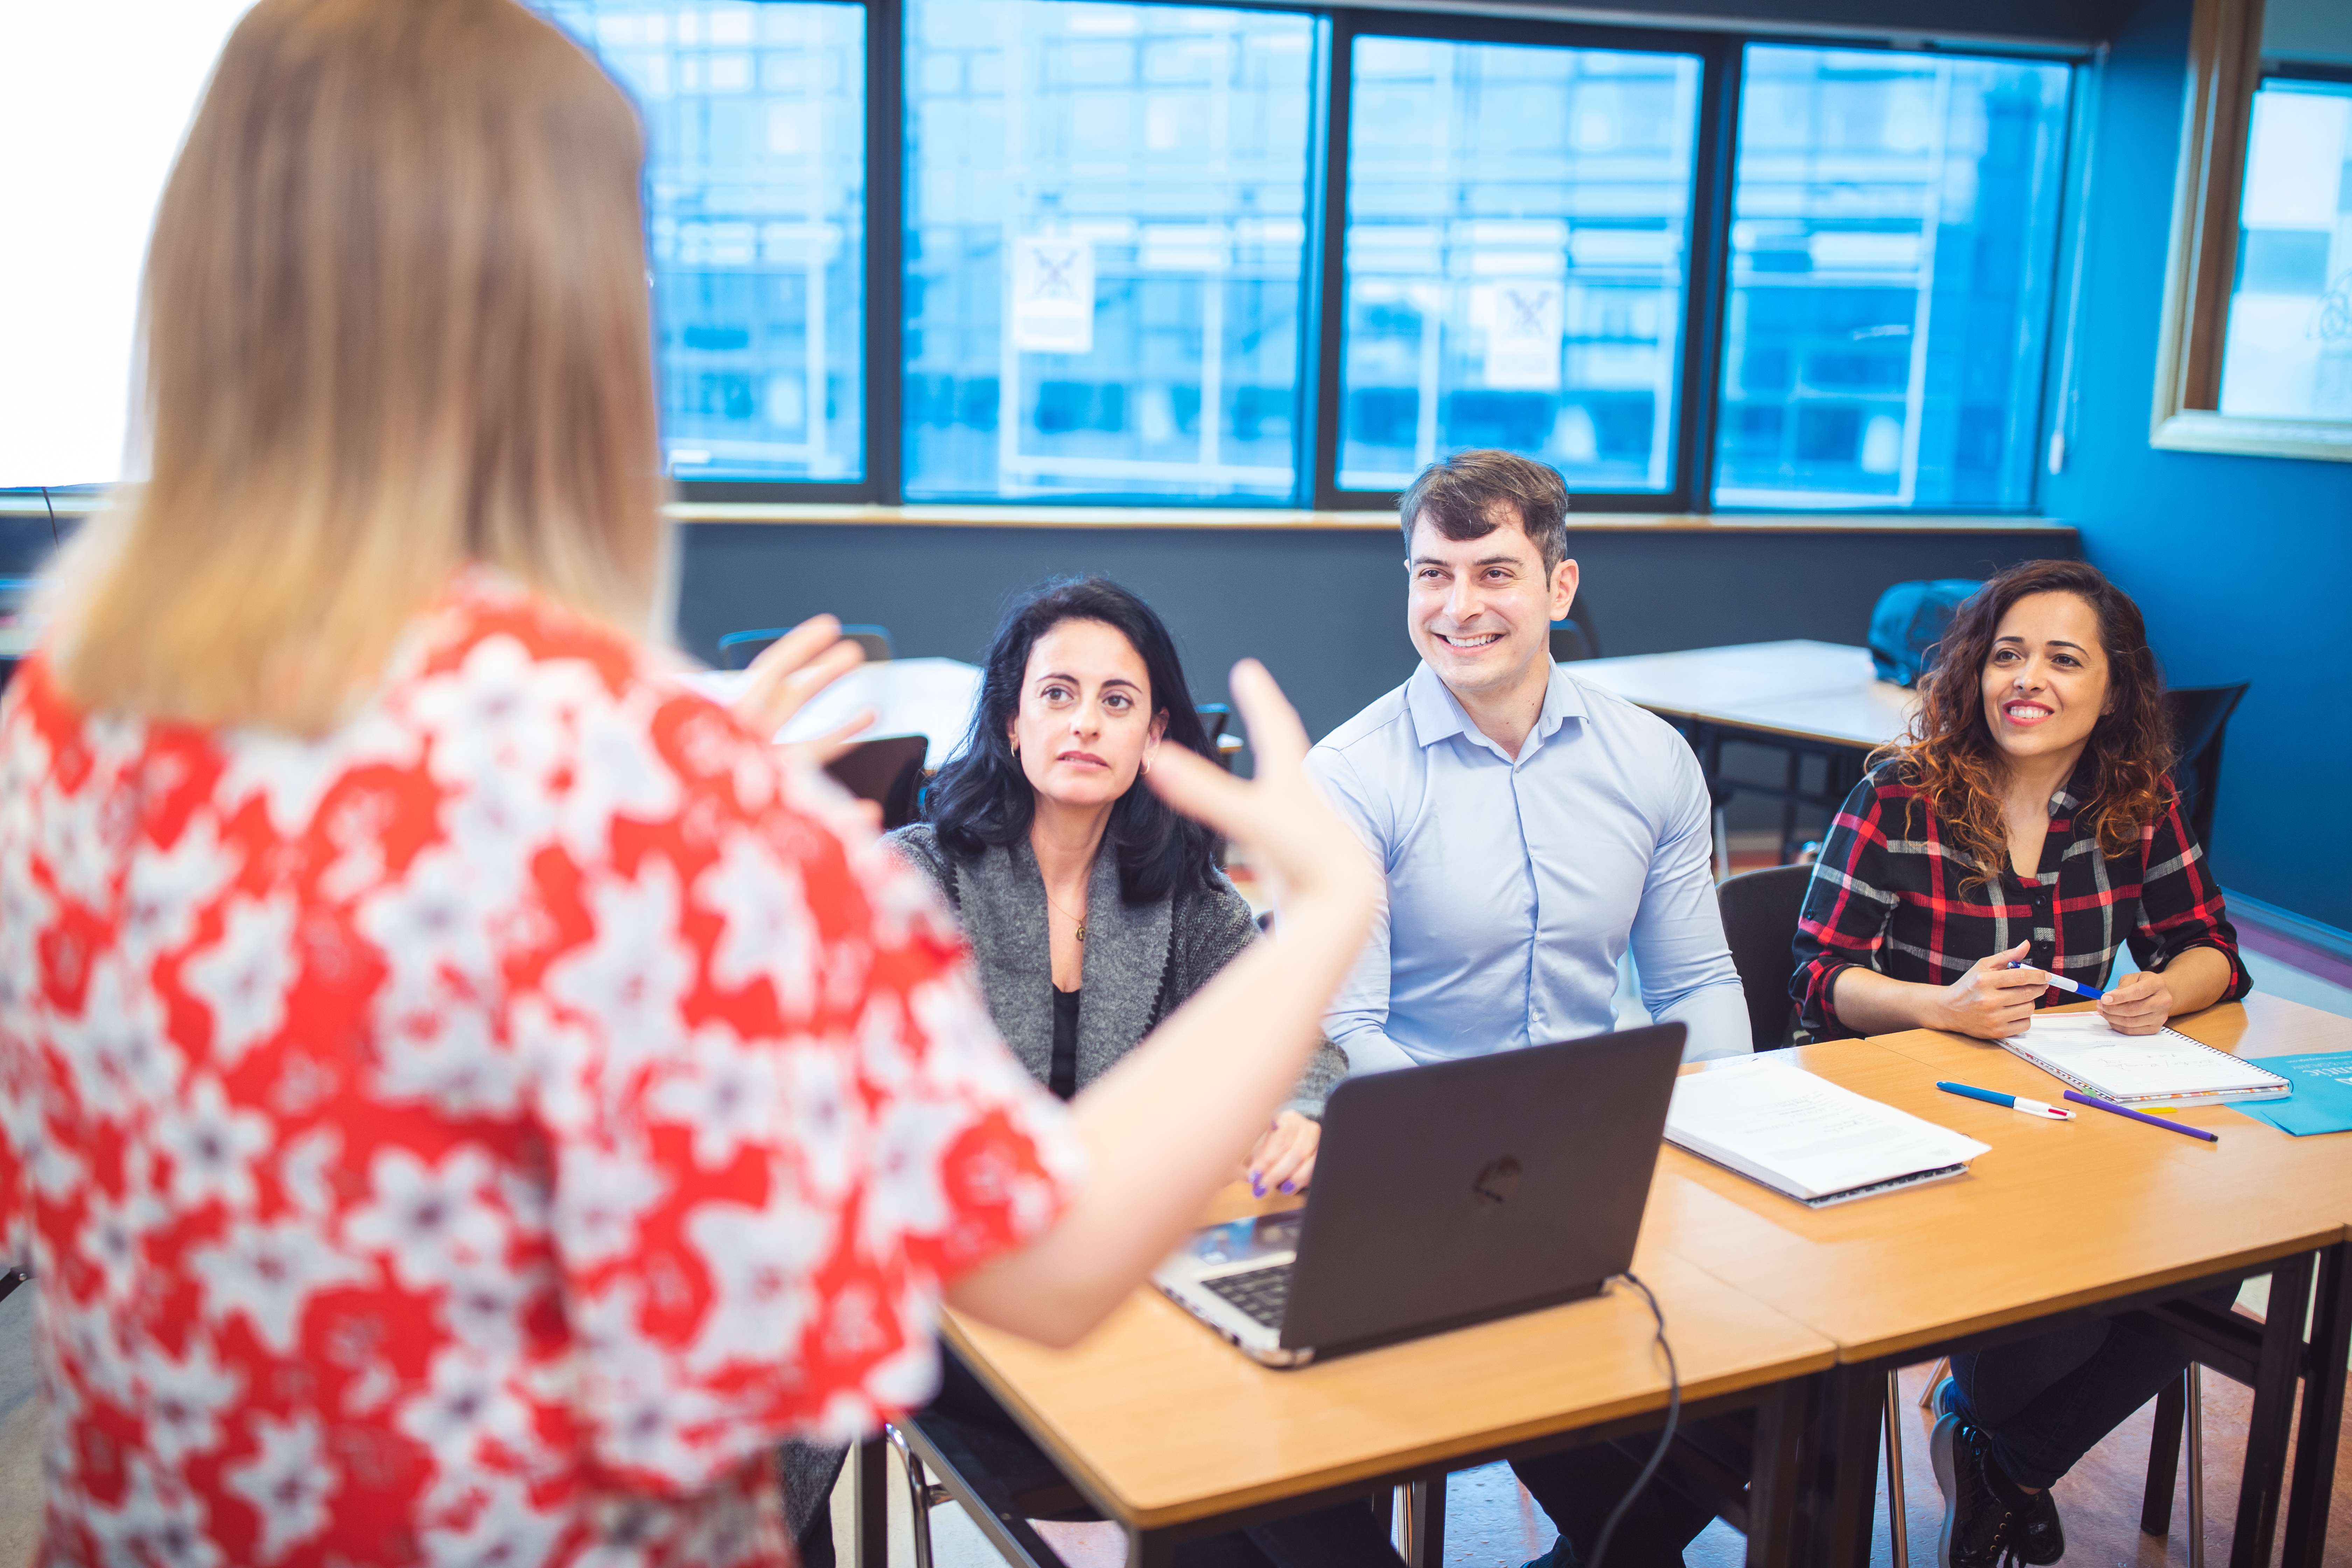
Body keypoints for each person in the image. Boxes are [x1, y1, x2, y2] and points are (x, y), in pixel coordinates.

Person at [0, 4, 1377, 1563]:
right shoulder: (638, 797)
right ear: (574, 308)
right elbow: (1045, 1260)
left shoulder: (69, 712)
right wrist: (1327, 903)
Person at [779, 576, 1353, 1567]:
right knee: (1219, 1431)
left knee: (1285, 1431)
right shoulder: (922, 877)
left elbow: (1303, 1044)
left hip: (1119, 1277)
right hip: (962, 1296)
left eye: (1117, 702)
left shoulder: (1186, 895)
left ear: (1155, 732)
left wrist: (1303, 1105)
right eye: (1058, 694)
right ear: (1012, 719)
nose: (1086, 722)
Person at [1305, 449, 1749, 1568]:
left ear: (1559, 586)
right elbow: (1348, 1029)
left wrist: (1723, 1126)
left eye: (1493, 572)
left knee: (1770, 1371)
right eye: (1431, 574)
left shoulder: (1650, 760)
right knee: (1604, 1442)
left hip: (1603, 1157)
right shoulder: (1350, 778)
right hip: (1418, 1173)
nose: (1458, 608)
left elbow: (1695, 982)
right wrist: (1495, 1156)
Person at [1790, 558, 2248, 1568]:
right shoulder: (1900, 795)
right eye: (2006, 655)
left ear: (2115, 689)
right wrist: (1938, 1007)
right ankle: (1998, 1434)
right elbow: (1819, 977)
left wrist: (2168, 989)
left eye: (2062, 659)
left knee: (2217, 1265)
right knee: (2039, 1341)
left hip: (2066, 1129)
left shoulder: (2134, 801)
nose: (2025, 680)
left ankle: (2008, 1465)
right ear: (1973, 672)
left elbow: (2214, 947)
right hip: (1918, 1131)